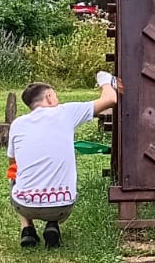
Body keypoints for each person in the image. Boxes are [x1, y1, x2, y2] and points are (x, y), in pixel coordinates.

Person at [7, 72, 120, 248]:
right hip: (62, 205)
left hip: (25, 204)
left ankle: (27, 229)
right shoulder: (65, 112)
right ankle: (52, 224)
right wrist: (105, 80)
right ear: (50, 97)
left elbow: (13, 163)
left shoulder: (18, 124)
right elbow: (110, 98)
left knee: (13, 173)